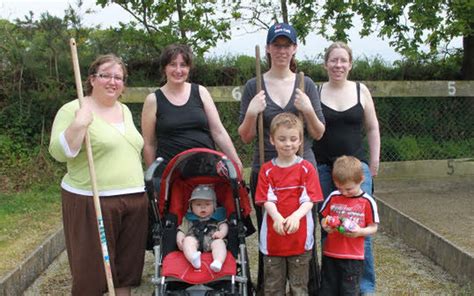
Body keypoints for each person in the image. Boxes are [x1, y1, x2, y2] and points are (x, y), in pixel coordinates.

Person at [49, 54, 147, 295]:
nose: (113, 82)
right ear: (92, 79)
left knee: (126, 270)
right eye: (106, 75)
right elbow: (59, 153)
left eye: (119, 77)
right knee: (91, 273)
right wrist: (78, 125)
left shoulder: (124, 109)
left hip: (134, 198)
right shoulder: (73, 109)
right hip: (92, 200)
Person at [238, 22, 325, 293]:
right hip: (267, 172)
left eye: (287, 45)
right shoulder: (254, 85)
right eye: (276, 45)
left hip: (302, 172)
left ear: (295, 48)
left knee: (304, 233)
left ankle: (304, 289)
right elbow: (245, 136)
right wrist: (252, 111)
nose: (281, 50)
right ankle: (269, 289)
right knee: (271, 235)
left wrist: (308, 109)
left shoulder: (305, 84)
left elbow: (319, 133)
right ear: (268, 48)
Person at [312, 41, 381, 294]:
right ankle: (331, 287)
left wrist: (373, 164)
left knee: (362, 230)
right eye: (333, 60)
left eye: (343, 60)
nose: (338, 65)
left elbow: (372, 128)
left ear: (350, 64)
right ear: (325, 64)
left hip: (356, 170)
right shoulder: (316, 91)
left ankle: (365, 288)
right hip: (324, 170)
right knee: (328, 229)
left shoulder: (362, 91)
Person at [141, 43, 243, 172]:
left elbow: (218, 132)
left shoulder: (201, 92)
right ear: (164, 68)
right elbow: (149, 144)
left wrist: (236, 161)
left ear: (189, 68)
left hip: (206, 169)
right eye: (173, 64)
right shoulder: (153, 100)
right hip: (171, 174)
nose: (178, 70)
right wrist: (153, 178)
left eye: (183, 65)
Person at [255, 113, 324, 295]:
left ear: (301, 140)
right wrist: (277, 217)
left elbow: (309, 199)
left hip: (299, 240)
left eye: (293, 139)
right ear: (272, 140)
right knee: (273, 288)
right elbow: (266, 199)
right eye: (282, 139)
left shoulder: (306, 169)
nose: (288, 144)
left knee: (299, 287)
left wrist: (295, 216)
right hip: (273, 241)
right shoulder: (267, 170)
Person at [319, 155, 379, 295]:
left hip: (353, 257)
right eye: (340, 188)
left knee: (349, 290)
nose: (344, 193)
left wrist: (359, 232)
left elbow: (373, 227)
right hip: (331, 254)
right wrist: (325, 225)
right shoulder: (333, 196)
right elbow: (323, 218)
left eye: (349, 189)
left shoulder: (367, 201)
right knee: (328, 289)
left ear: (361, 180)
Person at [176, 184, 228, 273]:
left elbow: (224, 226)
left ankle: (218, 261)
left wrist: (222, 233)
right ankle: (193, 258)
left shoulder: (217, 217)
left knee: (219, 243)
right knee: (187, 241)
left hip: (212, 239)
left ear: (215, 206)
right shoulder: (189, 218)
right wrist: (180, 238)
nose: (203, 207)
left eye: (207, 204)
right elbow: (182, 229)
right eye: (198, 204)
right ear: (191, 207)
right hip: (194, 239)